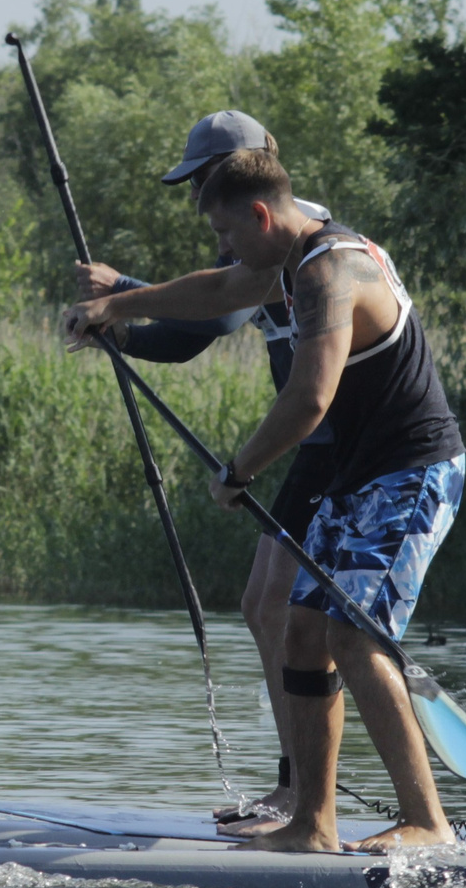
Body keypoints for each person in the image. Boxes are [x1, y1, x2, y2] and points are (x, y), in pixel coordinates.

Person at [62, 147, 466, 853]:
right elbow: (217, 293)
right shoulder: (290, 260)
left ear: (259, 213)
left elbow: (309, 397)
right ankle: (313, 823)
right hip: (358, 475)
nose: (224, 250)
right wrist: (115, 304)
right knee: (302, 635)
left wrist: (239, 470)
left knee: (352, 637)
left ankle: (429, 823)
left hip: (410, 471)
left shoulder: (329, 269)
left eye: (226, 234)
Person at [69, 109, 332, 827]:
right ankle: (296, 785)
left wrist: (120, 284)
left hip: (346, 442)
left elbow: (216, 312)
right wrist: (117, 332)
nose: (197, 196)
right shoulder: (256, 237)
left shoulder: (300, 234)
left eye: (204, 178)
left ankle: (302, 794)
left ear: (250, 169)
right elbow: (183, 343)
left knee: (278, 606)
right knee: (262, 604)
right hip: (317, 448)